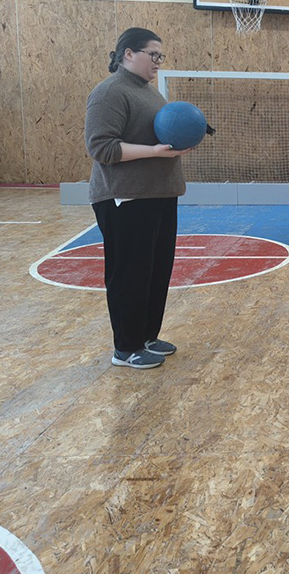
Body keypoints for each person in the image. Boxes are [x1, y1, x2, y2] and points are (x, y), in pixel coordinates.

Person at [85, 27, 190, 369]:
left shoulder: (149, 92)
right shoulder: (109, 93)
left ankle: (146, 337)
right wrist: (155, 151)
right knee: (130, 273)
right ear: (128, 54)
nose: (158, 62)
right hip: (125, 198)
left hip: (159, 194)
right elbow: (101, 147)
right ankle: (126, 348)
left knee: (156, 271)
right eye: (153, 54)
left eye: (161, 56)